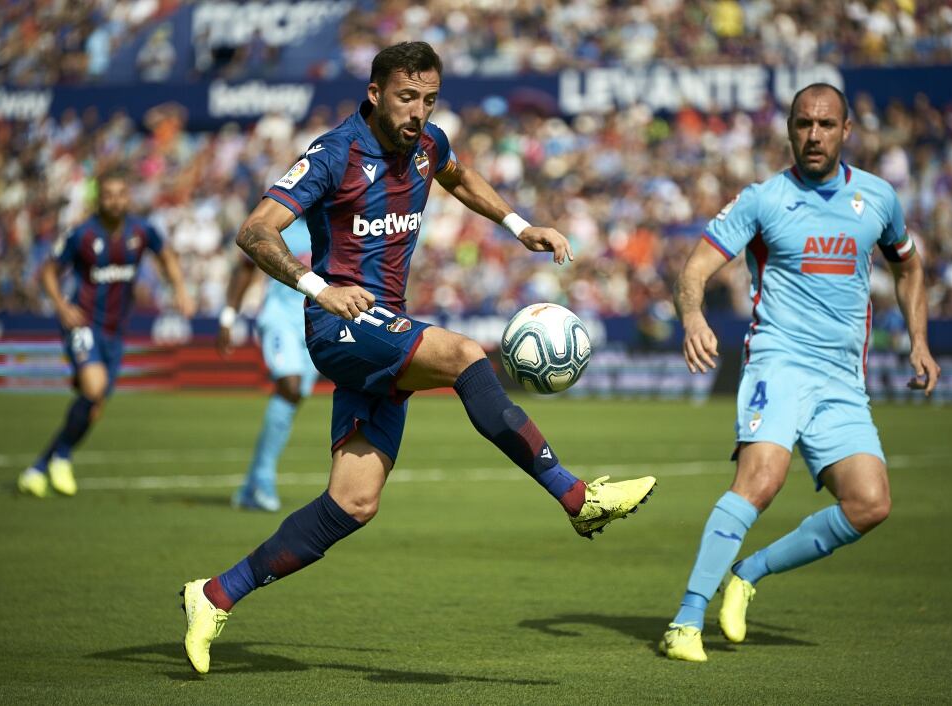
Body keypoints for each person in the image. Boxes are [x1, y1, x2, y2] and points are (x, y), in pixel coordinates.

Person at [180, 41, 657, 674]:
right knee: (463, 354)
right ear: (375, 92)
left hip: (382, 329)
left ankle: (214, 595)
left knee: (352, 504)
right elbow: (254, 230)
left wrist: (520, 227)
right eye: (408, 97)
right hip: (339, 325)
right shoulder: (333, 154)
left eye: (429, 99)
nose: (419, 112)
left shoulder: (429, 144)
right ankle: (576, 497)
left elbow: (456, 175)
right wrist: (320, 287)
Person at [660, 83, 941, 663]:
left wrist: (919, 340)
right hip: (778, 361)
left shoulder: (879, 199)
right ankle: (685, 620)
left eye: (826, 125)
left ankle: (748, 573)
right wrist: (692, 317)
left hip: (842, 379)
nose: (814, 135)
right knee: (760, 481)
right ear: (789, 129)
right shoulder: (764, 200)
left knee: (870, 503)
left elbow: (909, 268)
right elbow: (696, 267)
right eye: (803, 124)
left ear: (846, 131)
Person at [18, 168, 194, 498]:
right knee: (94, 387)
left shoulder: (141, 231)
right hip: (84, 322)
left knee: (93, 406)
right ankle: (63, 458)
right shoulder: (82, 234)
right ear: (99, 199)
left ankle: (41, 466)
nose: (115, 201)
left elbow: (167, 255)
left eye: (120, 194)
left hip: (116, 330)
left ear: (128, 197)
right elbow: (49, 271)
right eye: (108, 195)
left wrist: (181, 290)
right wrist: (60, 305)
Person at [217, 217, 318, 512]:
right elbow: (246, 266)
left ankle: (252, 484)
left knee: (294, 396)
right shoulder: (281, 223)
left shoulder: (337, 222)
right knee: (290, 385)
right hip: (280, 318)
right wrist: (228, 317)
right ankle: (262, 480)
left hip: (314, 325)